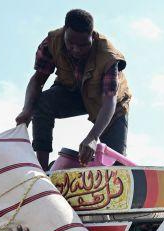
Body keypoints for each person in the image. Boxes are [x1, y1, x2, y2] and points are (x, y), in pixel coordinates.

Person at [16, 9, 132, 170]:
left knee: (115, 169)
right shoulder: (52, 42)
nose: (76, 49)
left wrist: (92, 138)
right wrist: (27, 109)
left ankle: (110, 169)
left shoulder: (108, 57)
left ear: (92, 37)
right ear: (64, 32)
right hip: (72, 92)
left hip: (108, 105)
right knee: (41, 103)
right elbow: (38, 80)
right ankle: (42, 169)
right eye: (71, 43)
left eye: (83, 45)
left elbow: (110, 100)